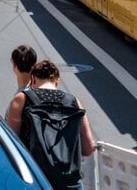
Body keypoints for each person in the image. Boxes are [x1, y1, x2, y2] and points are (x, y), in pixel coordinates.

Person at [6, 60, 95, 189]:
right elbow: (87, 149)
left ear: (33, 79)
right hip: (68, 181)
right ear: (56, 81)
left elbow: (11, 143)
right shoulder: (74, 102)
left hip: (35, 178)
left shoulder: (22, 99)